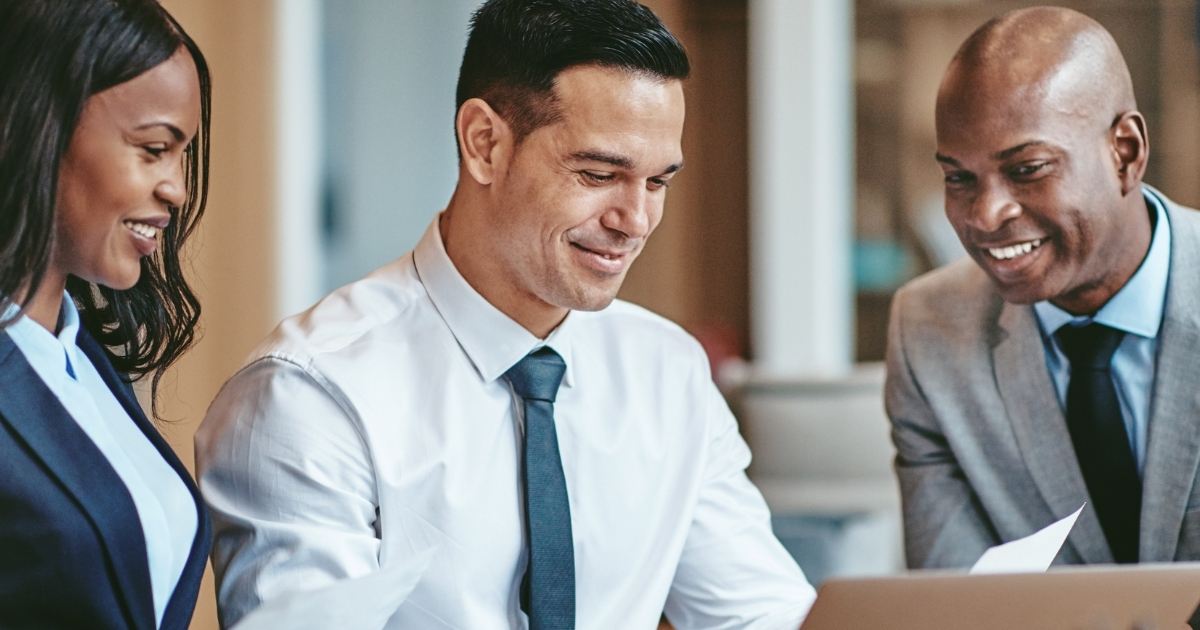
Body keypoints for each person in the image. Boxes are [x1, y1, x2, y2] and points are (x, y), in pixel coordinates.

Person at [196, 0, 814, 627]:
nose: (635, 221)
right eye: (600, 173)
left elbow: (761, 616)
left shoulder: (668, 372)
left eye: (658, 183)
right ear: (485, 143)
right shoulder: (310, 394)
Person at [887, 5, 1200, 571]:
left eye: (1028, 168)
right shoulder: (928, 331)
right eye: (959, 178)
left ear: (1124, 152)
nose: (985, 215)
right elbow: (957, 602)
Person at [0, 1, 213, 628]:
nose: (177, 188)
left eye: (182, 156)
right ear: (37, 124)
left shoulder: (80, 357)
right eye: (153, 149)